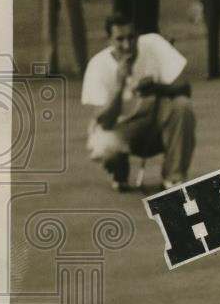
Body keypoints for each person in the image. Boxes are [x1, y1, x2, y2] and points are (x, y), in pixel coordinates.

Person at [82, 12, 196, 192]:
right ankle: (119, 171)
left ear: (138, 35)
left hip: (153, 122)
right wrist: (119, 86)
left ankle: (173, 178)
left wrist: (157, 87)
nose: (127, 45)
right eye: (120, 39)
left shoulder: (154, 43)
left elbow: (185, 89)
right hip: (120, 127)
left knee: (182, 106)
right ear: (108, 40)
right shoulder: (98, 65)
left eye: (131, 37)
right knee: (104, 146)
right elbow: (105, 121)